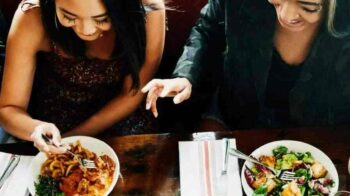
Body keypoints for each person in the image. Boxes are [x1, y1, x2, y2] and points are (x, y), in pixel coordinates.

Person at [142, 0, 350, 131]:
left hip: (316, 132)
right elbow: (206, 29)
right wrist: (185, 75)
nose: (286, 15)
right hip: (235, 114)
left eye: (307, 7)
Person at [0, 0, 165, 153]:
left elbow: (132, 94)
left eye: (102, 19)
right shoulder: (33, 15)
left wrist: (72, 139)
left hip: (122, 116)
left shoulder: (149, 9)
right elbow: (9, 108)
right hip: (55, 121)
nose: (87, 30)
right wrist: (35, 128)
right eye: (68, 16)